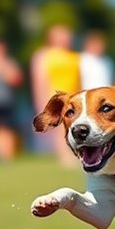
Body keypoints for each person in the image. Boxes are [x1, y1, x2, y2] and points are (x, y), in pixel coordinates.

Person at [31, 24, 80, 165]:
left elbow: (78, 79)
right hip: (54, 96)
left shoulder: (74, 56)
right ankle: (64, 156)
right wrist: (41, 100)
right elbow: (39, 79)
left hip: (73, 96)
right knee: (60, 127)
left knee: (72, 126)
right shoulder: (44, 55)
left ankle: (72, 155)